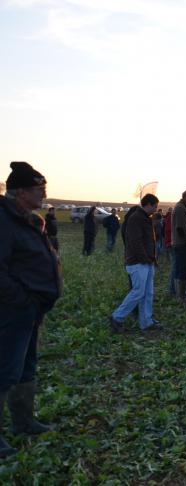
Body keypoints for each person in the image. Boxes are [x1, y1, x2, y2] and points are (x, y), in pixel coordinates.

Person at [0, 162, 62, 459]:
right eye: (39, 188)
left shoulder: (25, 218)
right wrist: (22, 300)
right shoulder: (3, 220)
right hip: (12, 310)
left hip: (30, 310)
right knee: (4, 369)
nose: (44, 193)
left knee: (25, 366)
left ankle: (23, 422)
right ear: (21, 191)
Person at [108, 194, 162, 332]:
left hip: (147, 261)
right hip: (137, 262)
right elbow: (135, 241)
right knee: (138, 291)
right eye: (154, 206)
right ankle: (117, 317)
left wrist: (152, 259)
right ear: (148, 204)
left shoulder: (145, 218)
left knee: (148, 293)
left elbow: (149, 241)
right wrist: (144, 258)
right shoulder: (136, 218)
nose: (156, 209)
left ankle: (146, 322)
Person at [163, 207, 174, 295]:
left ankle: (172, 288)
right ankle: (171, 289)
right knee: (174, 266)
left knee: (174, 266)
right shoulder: (171, 217)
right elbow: (169, 231)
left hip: (169, 243)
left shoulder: (169, 217)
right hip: (171, 244)